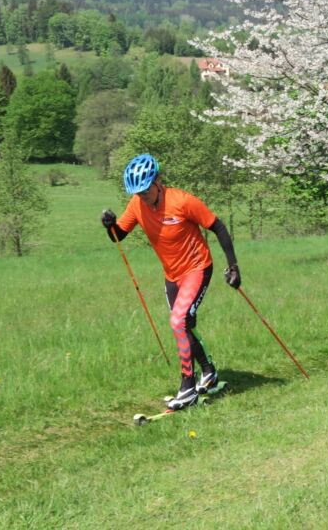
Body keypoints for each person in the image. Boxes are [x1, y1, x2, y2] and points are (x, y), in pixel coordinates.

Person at [101, 154, 241, 410]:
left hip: (197, 268)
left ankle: (188, 387)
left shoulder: (182, 201)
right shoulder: (136, 205)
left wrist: (233, 266)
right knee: (184, 324)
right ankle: (208, 372)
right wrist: (109, 226)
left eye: (145, 191)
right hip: (172, 276)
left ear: (158, 181)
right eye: (138, 193)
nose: (142, 197)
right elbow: (118, 235)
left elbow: (218, 227)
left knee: (178, 321)